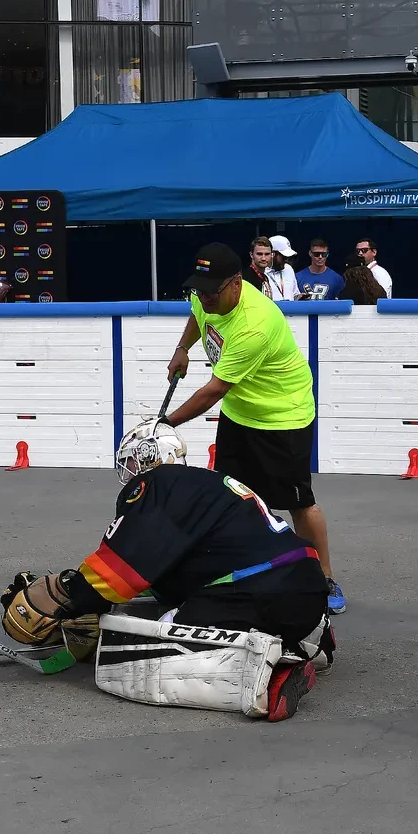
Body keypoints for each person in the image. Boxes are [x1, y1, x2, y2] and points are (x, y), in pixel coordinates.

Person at [0, 421, 334, 723]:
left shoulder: (157, 486)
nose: (129, 471)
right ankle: (309, 639)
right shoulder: (204, 484)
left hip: (261, 587)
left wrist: (63, 596)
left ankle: (276, 675)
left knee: (152, 642)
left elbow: (117, 573)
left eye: (131, 462)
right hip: (303, 588)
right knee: (183, 604)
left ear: (146, 458)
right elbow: (161, 578)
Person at [165, 242, 344, 616]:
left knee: (299, 503)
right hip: (240, 412)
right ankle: (233, 572)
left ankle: (325, 577)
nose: (204, 298)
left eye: (212, 292)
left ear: (235, 283)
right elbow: (198, 313)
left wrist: (164, 424)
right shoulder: (207, 293)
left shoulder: (255, 324)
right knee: (230, 498)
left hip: (282, 417)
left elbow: (214, 389)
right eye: (199, 290)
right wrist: (182, 348)